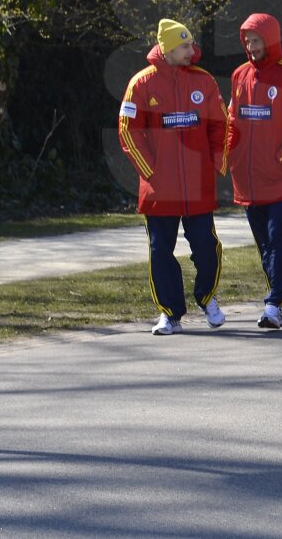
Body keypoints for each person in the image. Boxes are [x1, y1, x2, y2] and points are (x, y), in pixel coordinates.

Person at [117, 19, 229, 336]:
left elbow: (221, 124)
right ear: (167, 48)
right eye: (184, 46)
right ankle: (170, 313)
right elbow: (128, 130)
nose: (191, 51)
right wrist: (151, 171)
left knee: (207, 248)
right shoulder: (140, 84)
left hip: (198, 186)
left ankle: (207, 298)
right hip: (159, 190)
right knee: (160, 251)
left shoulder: (204, 81)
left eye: (191, 45)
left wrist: (213, 164)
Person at [227, 13, 282, 330]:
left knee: (278, 237)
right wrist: (229, 154)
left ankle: (275, 302)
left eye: (257, 40)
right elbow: (232, 120)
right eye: (247, 41)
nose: (252, 47)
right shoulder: (240, 75)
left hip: (281, 179)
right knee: (265, 244)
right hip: (248, 179)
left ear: (271, 38)